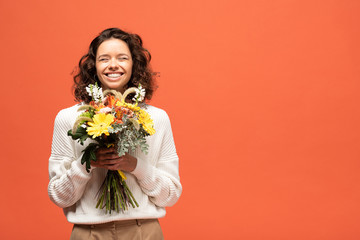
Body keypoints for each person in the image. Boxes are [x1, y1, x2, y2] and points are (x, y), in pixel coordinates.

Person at [48, 28, 182, 240]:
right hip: (88, 232)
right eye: (104, 59)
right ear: (94, 67)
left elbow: (170, 195)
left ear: (134, 65)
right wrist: (88, 162)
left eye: (122, 58)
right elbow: (59, 196)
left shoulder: (158, 119)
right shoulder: (69, 119)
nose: (113, 65)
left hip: (143, 231)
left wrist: (135, 166)